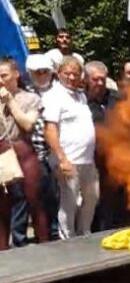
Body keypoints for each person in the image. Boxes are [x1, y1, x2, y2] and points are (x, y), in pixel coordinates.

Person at [42, 57, 99, 240]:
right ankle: (68, 239)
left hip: (87, 159)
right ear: (58, 74)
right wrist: (61, 159)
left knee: (92, 197)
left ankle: (84, 233)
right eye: (67, 73)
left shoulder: (81, 96)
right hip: (68, 159)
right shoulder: (53, 96)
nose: (72, 77)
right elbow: (50, 130)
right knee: (69, 202)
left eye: (75, 73)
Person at [0, 58, 50, 250]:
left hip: (25, 153)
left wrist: (10, 101)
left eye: (4, 75)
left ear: (16, 74)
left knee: (34, 201)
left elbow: (28, 124)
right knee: (2, 208)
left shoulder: (30, 98)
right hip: (3, 155)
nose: (1, 80)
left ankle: (45, 246)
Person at [84, 61, 129, 231]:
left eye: (103, 79)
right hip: (96, 163)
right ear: (87, 80)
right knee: (101, 205)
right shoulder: (82, 103)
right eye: (95, 80)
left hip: (123, 160)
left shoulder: (120, 98)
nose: (100, 83)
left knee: (125, 204)